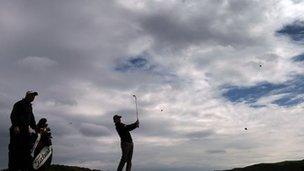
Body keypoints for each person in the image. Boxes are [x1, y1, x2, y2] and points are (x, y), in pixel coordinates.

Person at [9, 91, 38, 171]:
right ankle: (14, 168)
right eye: (32, 96)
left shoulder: (30, 106)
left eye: (34, 96)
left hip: (25, 131)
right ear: (27, 95)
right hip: (17, 131)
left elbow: (32, 120)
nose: (33, 98)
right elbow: (13, 115)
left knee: (26, 151)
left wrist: (36, 129)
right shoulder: (19, 104)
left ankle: (25, 167)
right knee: (15, 151)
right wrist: (15, 126)